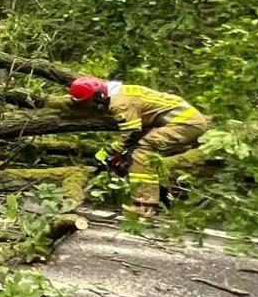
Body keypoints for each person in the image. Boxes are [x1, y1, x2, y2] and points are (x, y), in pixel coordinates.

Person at [68, 76, 210, 215]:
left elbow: (131, 134)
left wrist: (111, 152)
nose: (90, 107)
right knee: (147, 158)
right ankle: (163, 199)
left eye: (88, 102)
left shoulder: (120, 104)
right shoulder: (122, 92)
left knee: (140, 152)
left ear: (98, 95)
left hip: (185, 123)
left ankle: (146, 205)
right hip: (180, 122)